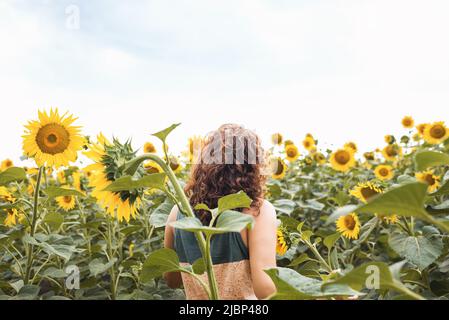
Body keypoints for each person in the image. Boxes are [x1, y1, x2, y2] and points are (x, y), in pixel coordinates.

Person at [164, 124, 277, 300]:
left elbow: (172, 280)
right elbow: (266, 289)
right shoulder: (257, 212)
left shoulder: (177, 213)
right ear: (252, 167)